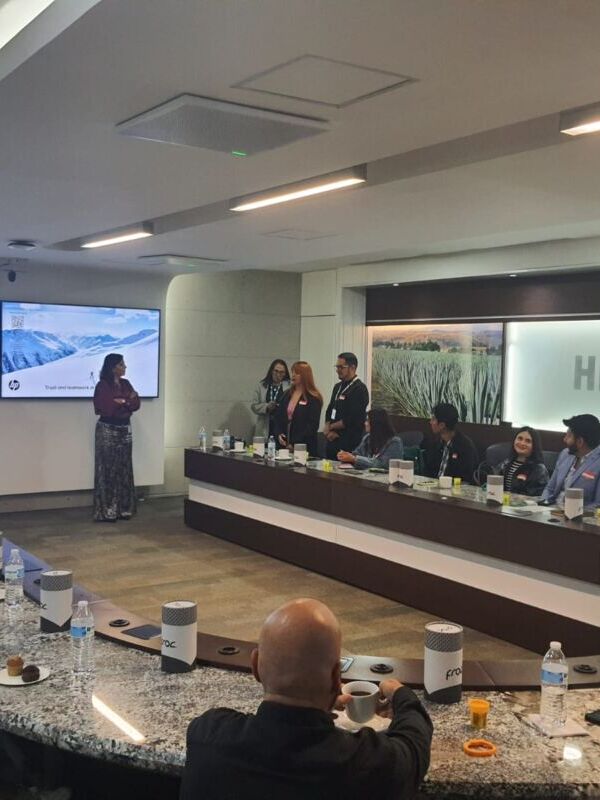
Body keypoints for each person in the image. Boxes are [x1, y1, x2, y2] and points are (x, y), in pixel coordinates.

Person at [180, 598, 433, 800]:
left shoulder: (208, 733)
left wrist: (319, 700)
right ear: (336, 677)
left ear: (255, 666)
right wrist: (400, 694)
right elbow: (413, 744)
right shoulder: (366, 764)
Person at [92, 353, 140, 522]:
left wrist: (123, 402)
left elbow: (136, 403)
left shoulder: (126, 384)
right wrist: (126, 401)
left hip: (125, 430)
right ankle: (108, 510)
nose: (125, 367)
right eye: (121, 364)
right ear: (113, 368)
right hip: (107, 430)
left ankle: (124, 509)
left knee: (124, 468)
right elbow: (106, 408)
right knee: (107, 469)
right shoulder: (102, 385)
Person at [540, 414, 600, 508]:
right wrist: (543, 505)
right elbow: (550, 488)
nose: (564, 439)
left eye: (568, 436)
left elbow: (597, 504)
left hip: (579, 514)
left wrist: (570, 512)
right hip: (551, 510)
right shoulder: (565, 454)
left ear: (580, 441)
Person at [323, 353, 370, 460]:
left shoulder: (359, 389)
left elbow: (353, 419)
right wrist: (327, 427)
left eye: (341, 367)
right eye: (337, 367)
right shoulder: (337, 387)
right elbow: (330, 409)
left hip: (348, 443)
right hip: (332, 442)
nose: (338, 370)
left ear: (352, 367)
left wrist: (331, 427)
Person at [274, 361, 323, 457]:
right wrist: (279, 434)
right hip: (284, 445)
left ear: (305, 376)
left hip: (304, 446)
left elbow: (312, 425)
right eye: (292, 372)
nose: (293, 375)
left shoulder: (313, 398)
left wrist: (294, 443)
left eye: (297, 373)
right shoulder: (287, 394)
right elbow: (278, 417)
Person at [424, 402, 478, 483]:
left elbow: (466, 478)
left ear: (442, 425)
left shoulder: (465, 447)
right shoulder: (435, 443)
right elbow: (428, 471)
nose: (430, 422)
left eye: (433, 419)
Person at [337, 408, 404, 470]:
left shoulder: (394, 442)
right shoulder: (367, 438)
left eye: (367, 420)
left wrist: (354, 459)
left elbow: (383, 465)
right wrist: (346, 456)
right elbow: (357, 454)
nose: (365, 423)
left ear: (376, 423)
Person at [492, 426, 549, 496]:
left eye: (528, 441)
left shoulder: (539, 469)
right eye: (520, 438)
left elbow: (534, 496)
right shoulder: (506, 463)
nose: (522, 443)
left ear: (534, 445)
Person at [251, 359, 290, 439]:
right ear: (271, 371)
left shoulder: (289, 386)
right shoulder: (261, 386)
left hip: (282, 427)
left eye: (281, 372)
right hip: (265, 426)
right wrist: (267, 407)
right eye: (276, 371)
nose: (278, 374)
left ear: (285, 373)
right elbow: (254, 406)